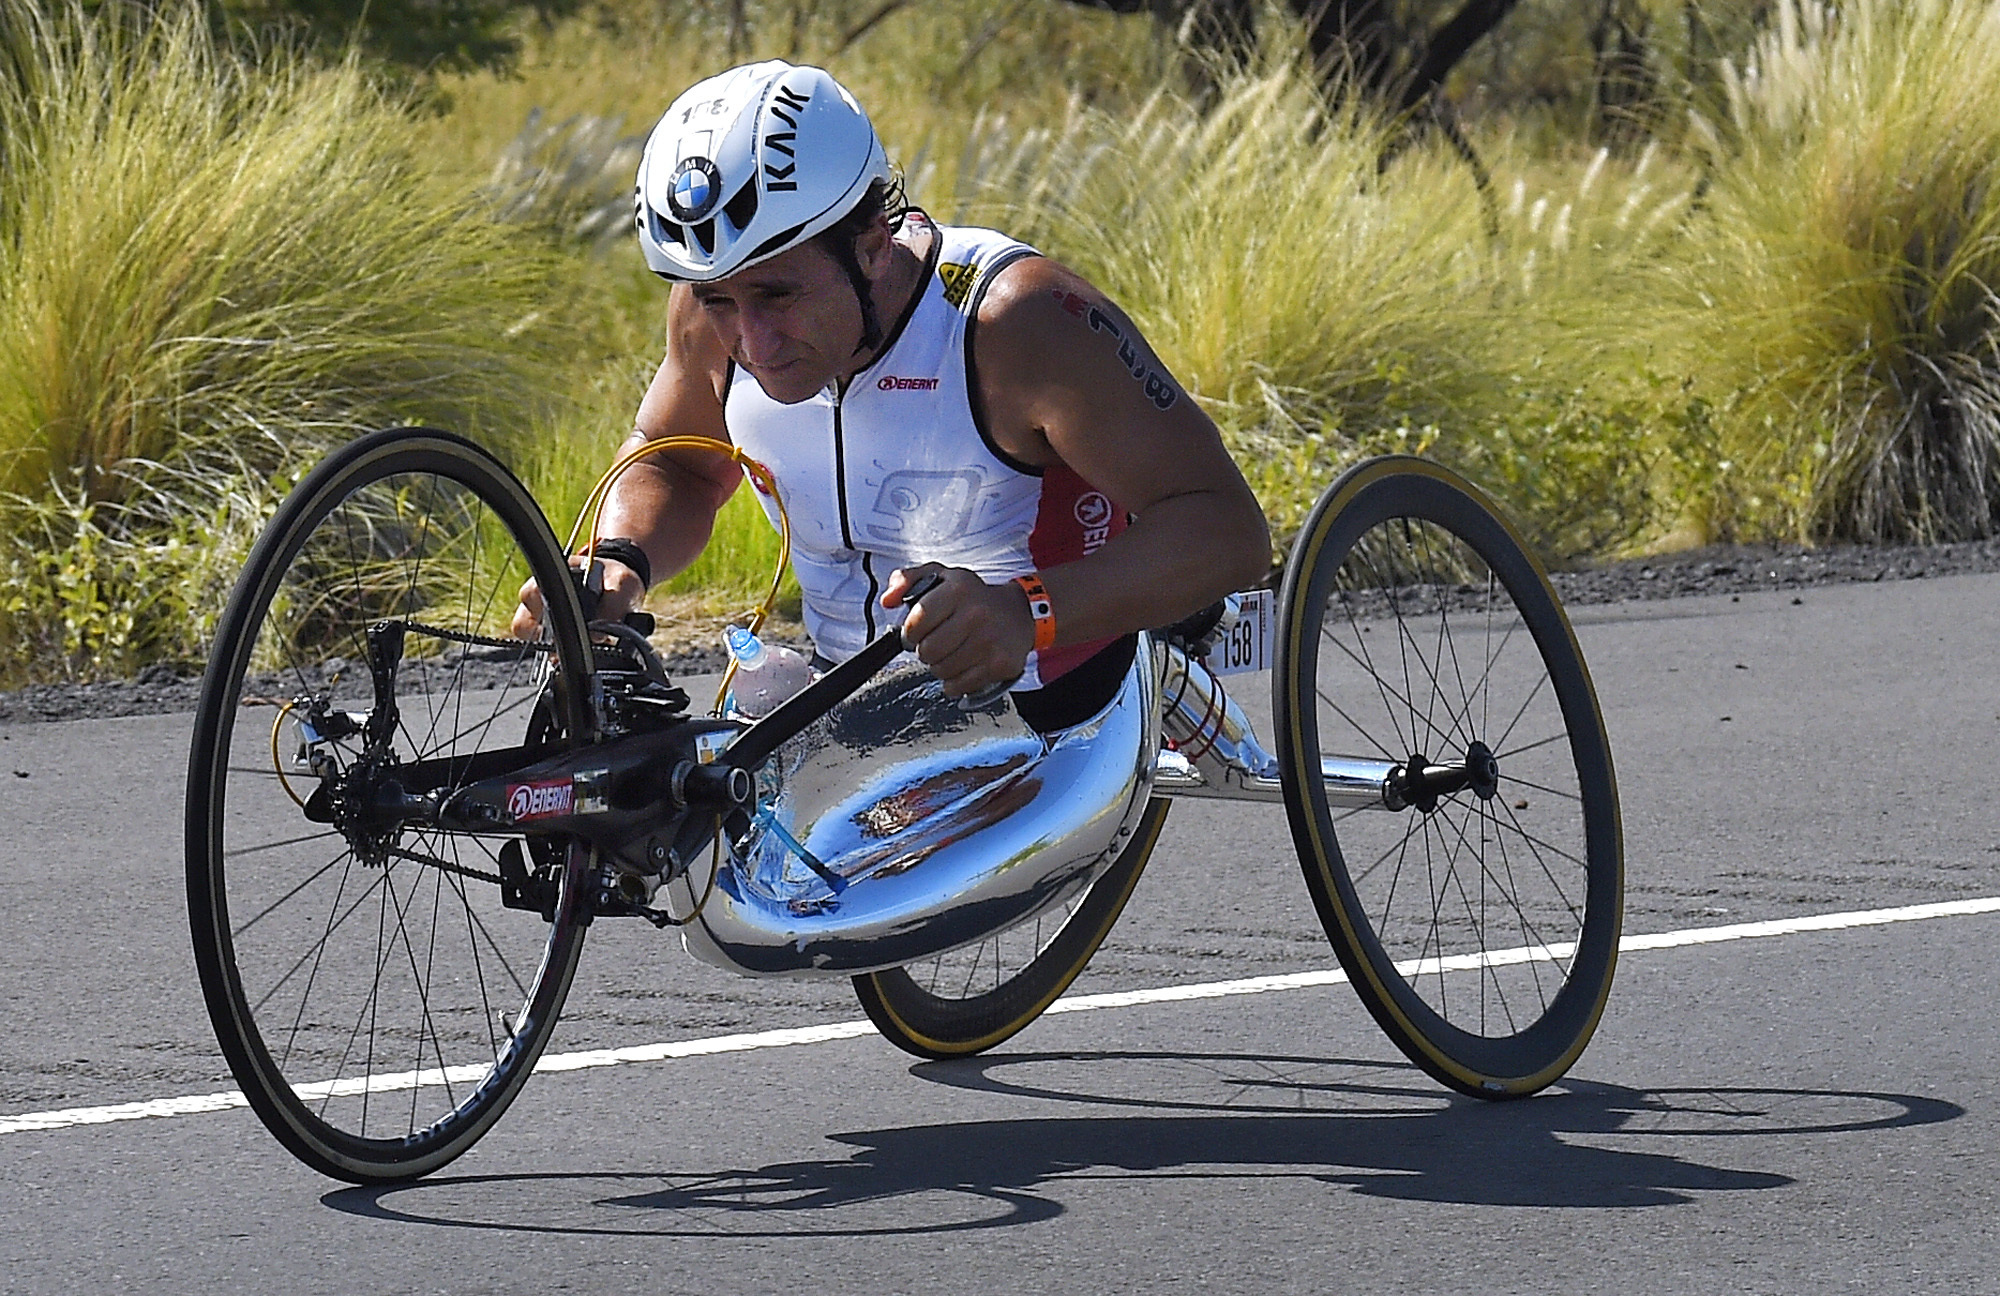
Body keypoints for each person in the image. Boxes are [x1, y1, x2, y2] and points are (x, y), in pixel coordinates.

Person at [515, 59, 1269, 730]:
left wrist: (1027, 611)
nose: (753, 342)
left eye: (778, 294)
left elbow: (1228, 530)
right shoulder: (711, 318)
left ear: (874, 242)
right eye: (718, 300)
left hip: (1048, 701)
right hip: (846, 708)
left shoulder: (1017, 322)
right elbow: (675, 463)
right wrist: (620, 558)